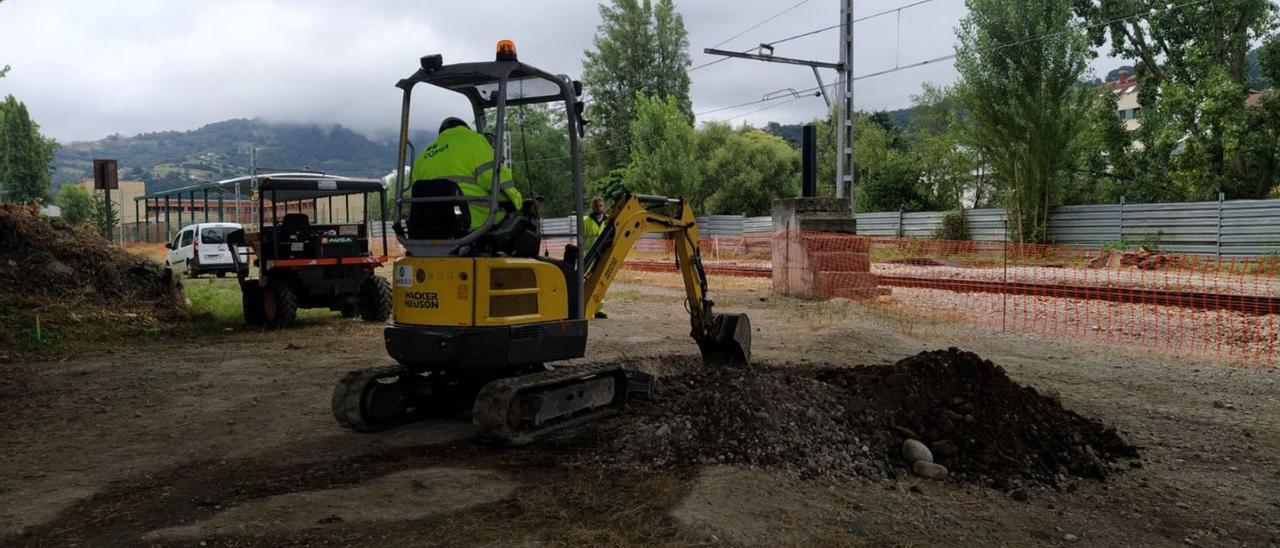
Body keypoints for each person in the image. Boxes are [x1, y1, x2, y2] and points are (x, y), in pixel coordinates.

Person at [409, 117, 523, 231]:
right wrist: (518, 203)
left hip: (428, 223)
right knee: (524, 224)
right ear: (465, 128)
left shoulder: (422, 156)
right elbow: (496, 179)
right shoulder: (474, 141)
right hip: (472, 219)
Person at [583, 196, 608, 319]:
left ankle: (599, 309)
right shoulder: (586, 221)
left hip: (602, 255)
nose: (599, 208)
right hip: (588, 255)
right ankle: (583, 306)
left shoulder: (608, 221)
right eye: (596, 206)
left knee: (601, 281)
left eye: (600, 206)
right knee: (585, 281)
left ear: (603, 206)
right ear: (592, 207)